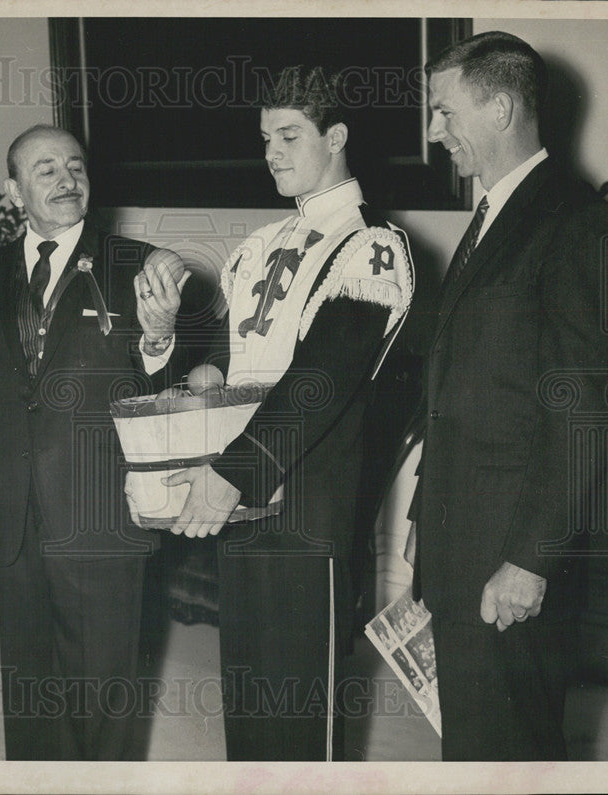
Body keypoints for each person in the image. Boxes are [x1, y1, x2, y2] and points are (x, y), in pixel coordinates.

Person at [162, 66, 414, 761]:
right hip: (240, 500)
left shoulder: (371, 245)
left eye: (289, 134)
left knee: (302, 715)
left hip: (307, 502)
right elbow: (230, 354)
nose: (271, 150)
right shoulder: (260, 243)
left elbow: (320, 383)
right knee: (249, 701)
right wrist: (204, 375)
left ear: (335, 136)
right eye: (265, 135)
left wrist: (231, 472)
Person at [0, 124, 204, 760]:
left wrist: (159, 336)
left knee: (102, 700)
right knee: (30, 695)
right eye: (46, 170)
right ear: (14, 190)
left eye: (75, 167)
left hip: (101, 516)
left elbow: (170, 397)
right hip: (13, 517)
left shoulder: (136, 268)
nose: (66, 180)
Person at [407, 31, 608, 760]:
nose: (434, 133)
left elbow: (587, 413)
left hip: (512, 562)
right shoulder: (492, 218)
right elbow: (463, 386)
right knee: (473, 749)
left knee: (510, 756)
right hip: (461, 545)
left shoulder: (575, 225)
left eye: (443, 113)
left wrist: (532, 559)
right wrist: (424, 511)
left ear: (500, 108)